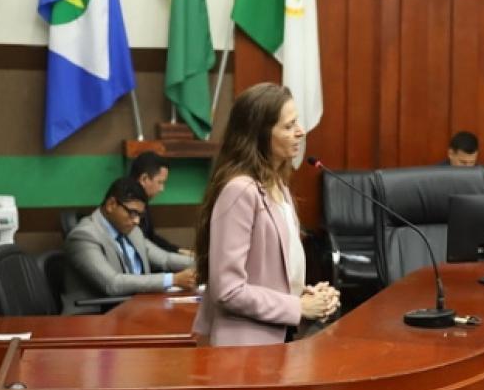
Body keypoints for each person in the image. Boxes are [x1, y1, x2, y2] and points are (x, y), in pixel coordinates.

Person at [192, 82, 340, 346]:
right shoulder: (239, 191)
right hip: (245, 348)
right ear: (260, 134)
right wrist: (298, 307)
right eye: (288, 126)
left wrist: (307, 297)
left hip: (278, 339)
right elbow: (228, 289)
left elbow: (270, 275)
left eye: (297, 123)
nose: (300, 131)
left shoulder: (278, 186)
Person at [62, 177, 196, 314]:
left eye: (140, 215)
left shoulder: (132, 231)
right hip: (95, 317)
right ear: (111, 204)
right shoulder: (84, 236)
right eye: (132, 213)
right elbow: (112, 283)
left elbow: (165, 259)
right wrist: (172, 279)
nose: (137, 221)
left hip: (134, 309)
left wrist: (203, 263)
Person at [129, 150, 191, 255]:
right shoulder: (129, 206)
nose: (162, 189)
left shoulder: (141, 201)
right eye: (160, 182)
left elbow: (151, 238)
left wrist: (178, 250)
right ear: (144, 179)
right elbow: (145, 249)